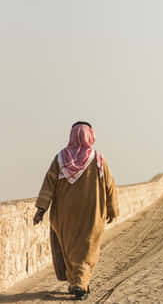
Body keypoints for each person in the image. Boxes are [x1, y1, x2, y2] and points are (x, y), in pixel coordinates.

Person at [33, 121, 119, 301]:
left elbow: (48, 184)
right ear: (90, 135)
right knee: (86, 249)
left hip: (65, 214)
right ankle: (80, 283)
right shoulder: (98, 160)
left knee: (70, 248)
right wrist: (112, 209)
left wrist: (41, 209)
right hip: (91, 214)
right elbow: (109, 186)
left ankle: (76, 282)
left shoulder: (60, 159)